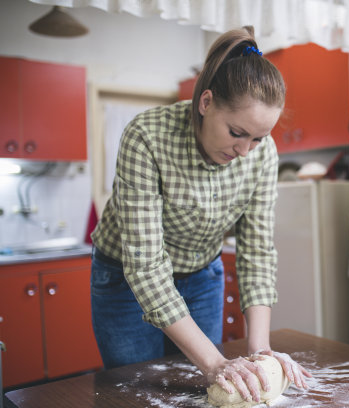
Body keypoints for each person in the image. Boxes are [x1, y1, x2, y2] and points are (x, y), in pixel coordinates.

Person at [90, 26, 310, 404]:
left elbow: (256, 251)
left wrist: (261, 349)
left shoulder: (262, 153)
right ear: (206, 102)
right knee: (138, 391)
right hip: (126, 279)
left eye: (257, 139)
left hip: (201, 275)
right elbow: (145, 265)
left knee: (201, 394)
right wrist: (213, 362)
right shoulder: (146, 137)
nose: (245, 151)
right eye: (237, 132)